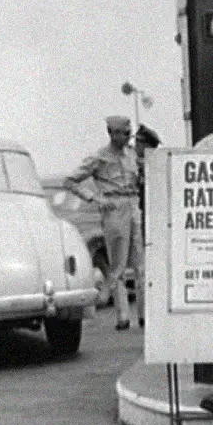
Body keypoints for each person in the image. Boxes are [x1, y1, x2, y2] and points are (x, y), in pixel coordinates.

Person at [64, 116, 144, 330]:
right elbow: (70, 181)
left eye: (129, 133)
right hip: (114, 206)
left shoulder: (131, 155)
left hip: (133, 203)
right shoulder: (99, 157)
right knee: (117, 266)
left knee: (140, 263)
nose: (127, 137)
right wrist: (96, 198)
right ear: (112, 133)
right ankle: (123, 316)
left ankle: (145, 315)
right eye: (124, 133)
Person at [134, 124, 161, 243]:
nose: (135, 146)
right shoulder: (134, 163)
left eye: (138, 143)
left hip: (153, 214)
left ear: (146, 145)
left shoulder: (155, 164)